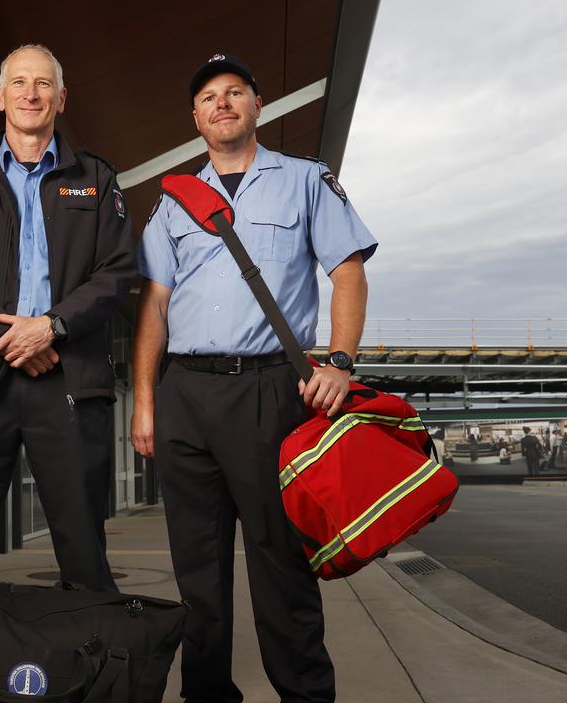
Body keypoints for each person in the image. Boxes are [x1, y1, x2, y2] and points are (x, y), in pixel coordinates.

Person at [132, 54, 377, 703]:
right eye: (209, 97)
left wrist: (341, 360)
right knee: (197, 579)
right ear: (196, 118)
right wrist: (146, 401)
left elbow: (347, 272)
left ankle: (305, 694)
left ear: (257, 105)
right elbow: (155, 302)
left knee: (280, 571)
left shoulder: (304, 181)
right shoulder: (174, 201)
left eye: (234, 92)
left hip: (269, 395)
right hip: (186, 396)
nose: (222, 103)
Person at [0, 44, 136, 591]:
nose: (30, 94)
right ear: (0, 96)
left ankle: (88, 672)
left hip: (69, 378)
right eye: (18, 82)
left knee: (84, 551)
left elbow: (116, 273)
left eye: (43, 84)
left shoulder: (97, 178)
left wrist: (51, 328)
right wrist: (10, 336)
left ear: (62, 98)